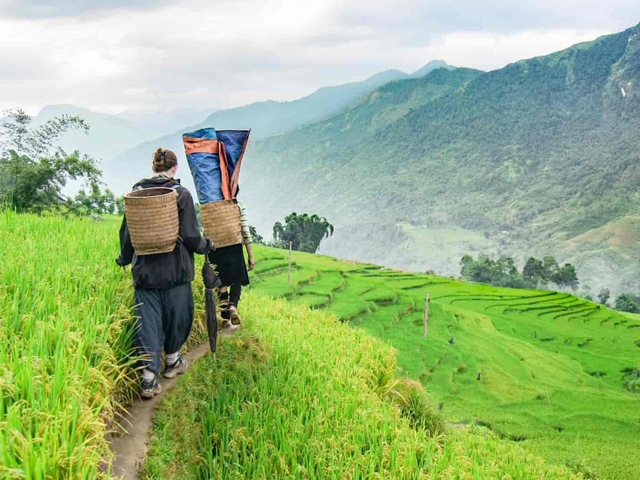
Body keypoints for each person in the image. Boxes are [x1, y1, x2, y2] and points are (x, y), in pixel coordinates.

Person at [116, 148, 212, 399]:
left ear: (153, 167)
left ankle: (148, 379)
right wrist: (206, 246)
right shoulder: (180, 195)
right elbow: (191, 236)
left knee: (147, 323)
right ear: (175, 168)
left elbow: (128, 234)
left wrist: (124, 258)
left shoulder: (137, 195)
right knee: (177, 318)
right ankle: (172, 362)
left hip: (145, 273)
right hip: (175, 271)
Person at [209, 201, 254, 328]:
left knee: (222, 284)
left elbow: (207, 229)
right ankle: (233, 306)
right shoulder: (238, 205)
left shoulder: (211, 206)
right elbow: (245, 230)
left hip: (216, 247)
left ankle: (225, 319)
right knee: (236, 280)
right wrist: (250, 256)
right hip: (234, 246)